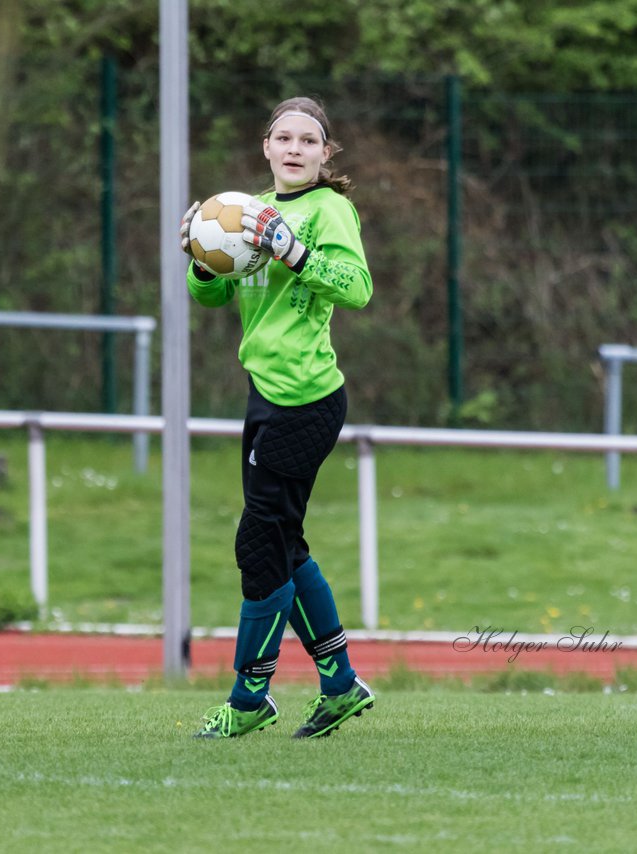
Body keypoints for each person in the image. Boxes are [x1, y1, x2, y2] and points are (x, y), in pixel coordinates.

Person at [180, 96, 375, 739]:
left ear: (325, 155)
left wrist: (295, 253)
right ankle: (341, 685)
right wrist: (202, 255)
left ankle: (248, 697)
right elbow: (211, 295)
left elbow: (356, 287)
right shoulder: (248, 214)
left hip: (308, 400)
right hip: (267, 396)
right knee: (284, 546)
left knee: (258, 543)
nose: (294, 148)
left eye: (308, 140)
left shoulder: (329, 209)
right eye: (283, 137)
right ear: (265, 146)